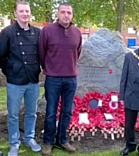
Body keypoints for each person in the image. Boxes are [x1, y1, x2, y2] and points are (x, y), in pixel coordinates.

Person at [0, 1, 41, 156]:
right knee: (13, 115)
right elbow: (0, 56)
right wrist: (11, 71)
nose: (25, 14)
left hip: (33, 80)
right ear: (15, 13)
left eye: (27, 11)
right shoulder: (7, 32)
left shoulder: (37, 32)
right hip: (15, 81)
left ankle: (29, 138)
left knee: (31, 112)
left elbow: (41, 54)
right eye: (21, 11)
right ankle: (14, 143)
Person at [39, 2, 82, 156]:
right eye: (63, 12)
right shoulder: (47, 30)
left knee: (67, 111)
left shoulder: (77, 32)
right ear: (58, 14)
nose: (66, 15)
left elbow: (77, 53)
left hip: (71, 78)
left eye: (69, 13)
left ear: (72, 15)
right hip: (53, 78)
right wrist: (50, 68)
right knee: (50, 112)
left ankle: (62, 139)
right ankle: (48, 142)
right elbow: (42, 53)